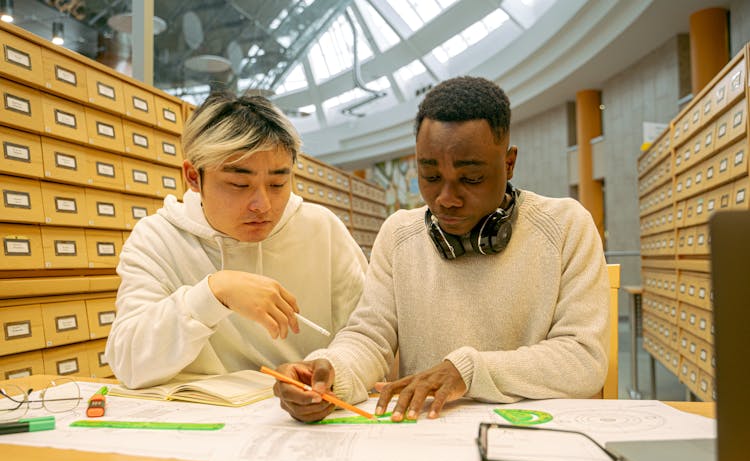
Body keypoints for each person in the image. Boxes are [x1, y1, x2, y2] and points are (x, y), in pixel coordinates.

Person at [273, 76, 610, 422]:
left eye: (471, 179)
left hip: (539, 439)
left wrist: (465, 371)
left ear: (508, 164)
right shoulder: (398, 234)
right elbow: (370, 338)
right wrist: (331, 372)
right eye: (430, 177)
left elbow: (584, 359)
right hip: (429, 434)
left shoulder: (567, 226)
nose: (446, 199)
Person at [105, 92, 368, 389]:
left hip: (310, 417)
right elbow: (128, 363)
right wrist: (212, 294)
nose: (263, 204)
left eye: (278, 184)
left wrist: (328, 373)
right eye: (239, 184)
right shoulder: (157, 238)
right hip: (203, 424)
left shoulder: (322, 228)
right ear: (193, 177)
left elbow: (368, 335)